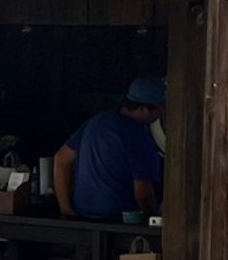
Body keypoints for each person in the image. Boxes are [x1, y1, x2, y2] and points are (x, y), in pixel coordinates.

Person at [55, 77, 164, 220]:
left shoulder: (95, 123)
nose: (161, 114)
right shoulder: (138, 137)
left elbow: (61, 159)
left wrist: (65, 208)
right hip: (120, 223)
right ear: (143, 107)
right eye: (159, 109)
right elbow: (143, 192)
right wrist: (155, 221)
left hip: (82, 221)